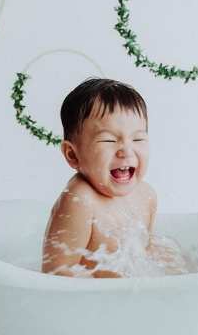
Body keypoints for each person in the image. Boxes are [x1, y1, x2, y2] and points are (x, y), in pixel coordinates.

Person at [41, 77, 186, 278]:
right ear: (73, 155)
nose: (126, 150)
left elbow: (144, 253)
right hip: (99, 297)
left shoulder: (146, 195)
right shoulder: (80, 201)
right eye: (108, 140)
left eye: (138, 138)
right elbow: (55, 273)